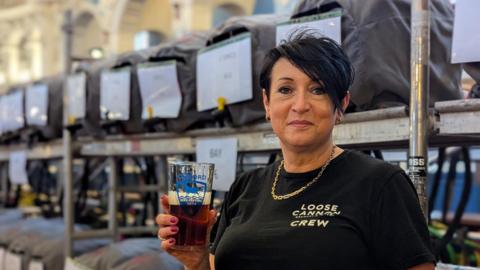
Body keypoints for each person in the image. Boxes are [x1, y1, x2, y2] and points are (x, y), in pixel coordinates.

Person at [156, 32, 436, 270]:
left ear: (341, 105)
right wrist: (197, 260)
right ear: (267, 103)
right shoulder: (245, 187)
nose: (300, 105)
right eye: (286, 89)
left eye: (318, 90)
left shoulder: (381, 184)